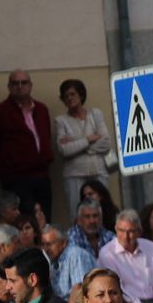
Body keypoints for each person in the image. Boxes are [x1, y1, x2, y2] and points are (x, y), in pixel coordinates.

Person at [0, 70, 54, 221]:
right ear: (9, 86)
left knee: (44, 220)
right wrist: (6, 170)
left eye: (24, 82)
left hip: (42, 175)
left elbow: (46, 137)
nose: (20, 86)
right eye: (15, 83)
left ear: (30, 85)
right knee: (24, 222)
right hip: (17, 178)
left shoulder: (41, 110)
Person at [53, 79, 114, 208]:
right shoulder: (61, 121)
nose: (69, 98)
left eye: (72, 94)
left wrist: (78, 146)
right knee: (78, 213)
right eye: (66, 96)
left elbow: (106, 142)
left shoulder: (95, 114)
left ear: (81, 95)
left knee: (103, 210)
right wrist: (89, 139)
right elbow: (65, 150)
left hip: (99, 170)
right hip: (74, 174)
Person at [38, 223, 94, 303]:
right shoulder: (52, 258)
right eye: (44, 244)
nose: (46, 249)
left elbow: (78, 288)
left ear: (63, 243)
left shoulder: (74, 255)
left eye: (49, 244)